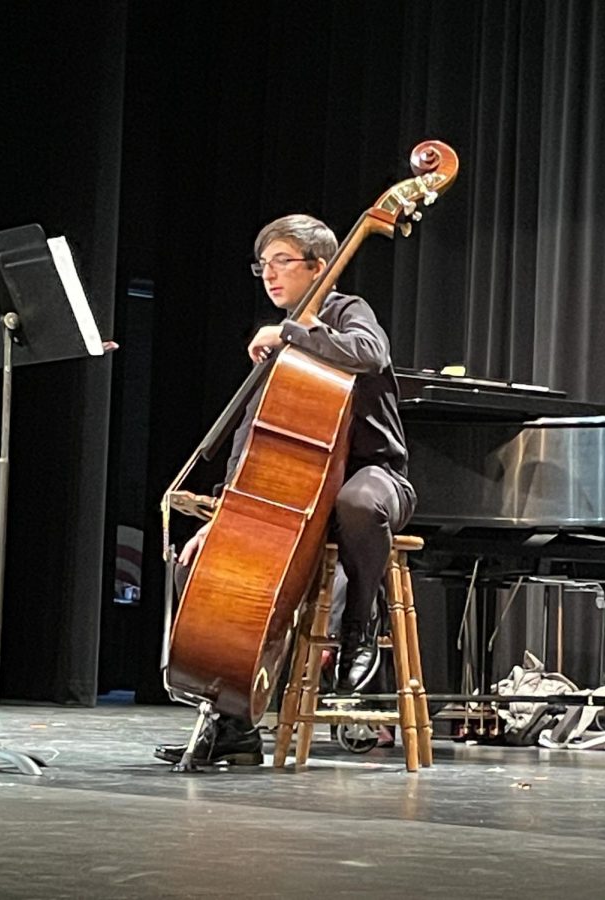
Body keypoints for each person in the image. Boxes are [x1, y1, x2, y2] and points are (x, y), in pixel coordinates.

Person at [155, 214, 416, 766]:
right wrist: (222, 518)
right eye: (263, 265)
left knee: (358, 503)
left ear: (320, 267)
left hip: (374, 478)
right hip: (302, 493)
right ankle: (232, 723)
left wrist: (294, 332)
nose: (270, 275)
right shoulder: (278, 348)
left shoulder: (346, 312)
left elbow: (370, 353)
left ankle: (358, 626)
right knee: (198, 567)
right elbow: (256, 436)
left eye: (282, 262)